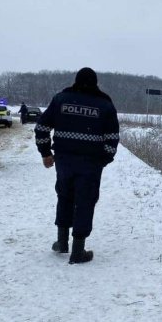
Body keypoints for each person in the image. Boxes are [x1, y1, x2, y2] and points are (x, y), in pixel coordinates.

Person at [34, 68, 119, 264]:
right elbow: (112, 138)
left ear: (76, 81)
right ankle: (78, 251)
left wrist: (45, 153)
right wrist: (103, 160)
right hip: (90, 163)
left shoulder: (61, 99)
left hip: (64, 161)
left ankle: (62, 242)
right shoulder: (104, 104)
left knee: (64, 196)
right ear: (95, 83)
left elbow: (42, 128)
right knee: (85, 201)